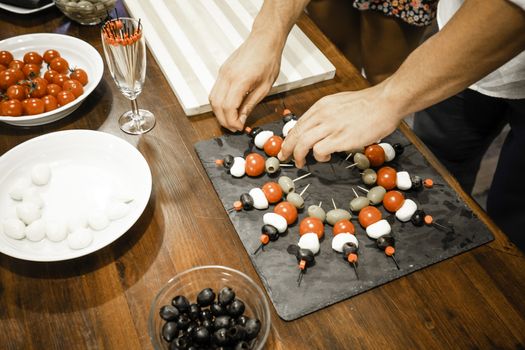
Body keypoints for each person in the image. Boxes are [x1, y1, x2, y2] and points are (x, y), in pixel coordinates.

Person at [209, 0, 525, 249]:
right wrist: (267, 34)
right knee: (443, 168)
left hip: (486, 43)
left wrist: (387, 97)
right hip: (457, 46)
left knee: (514, 220)